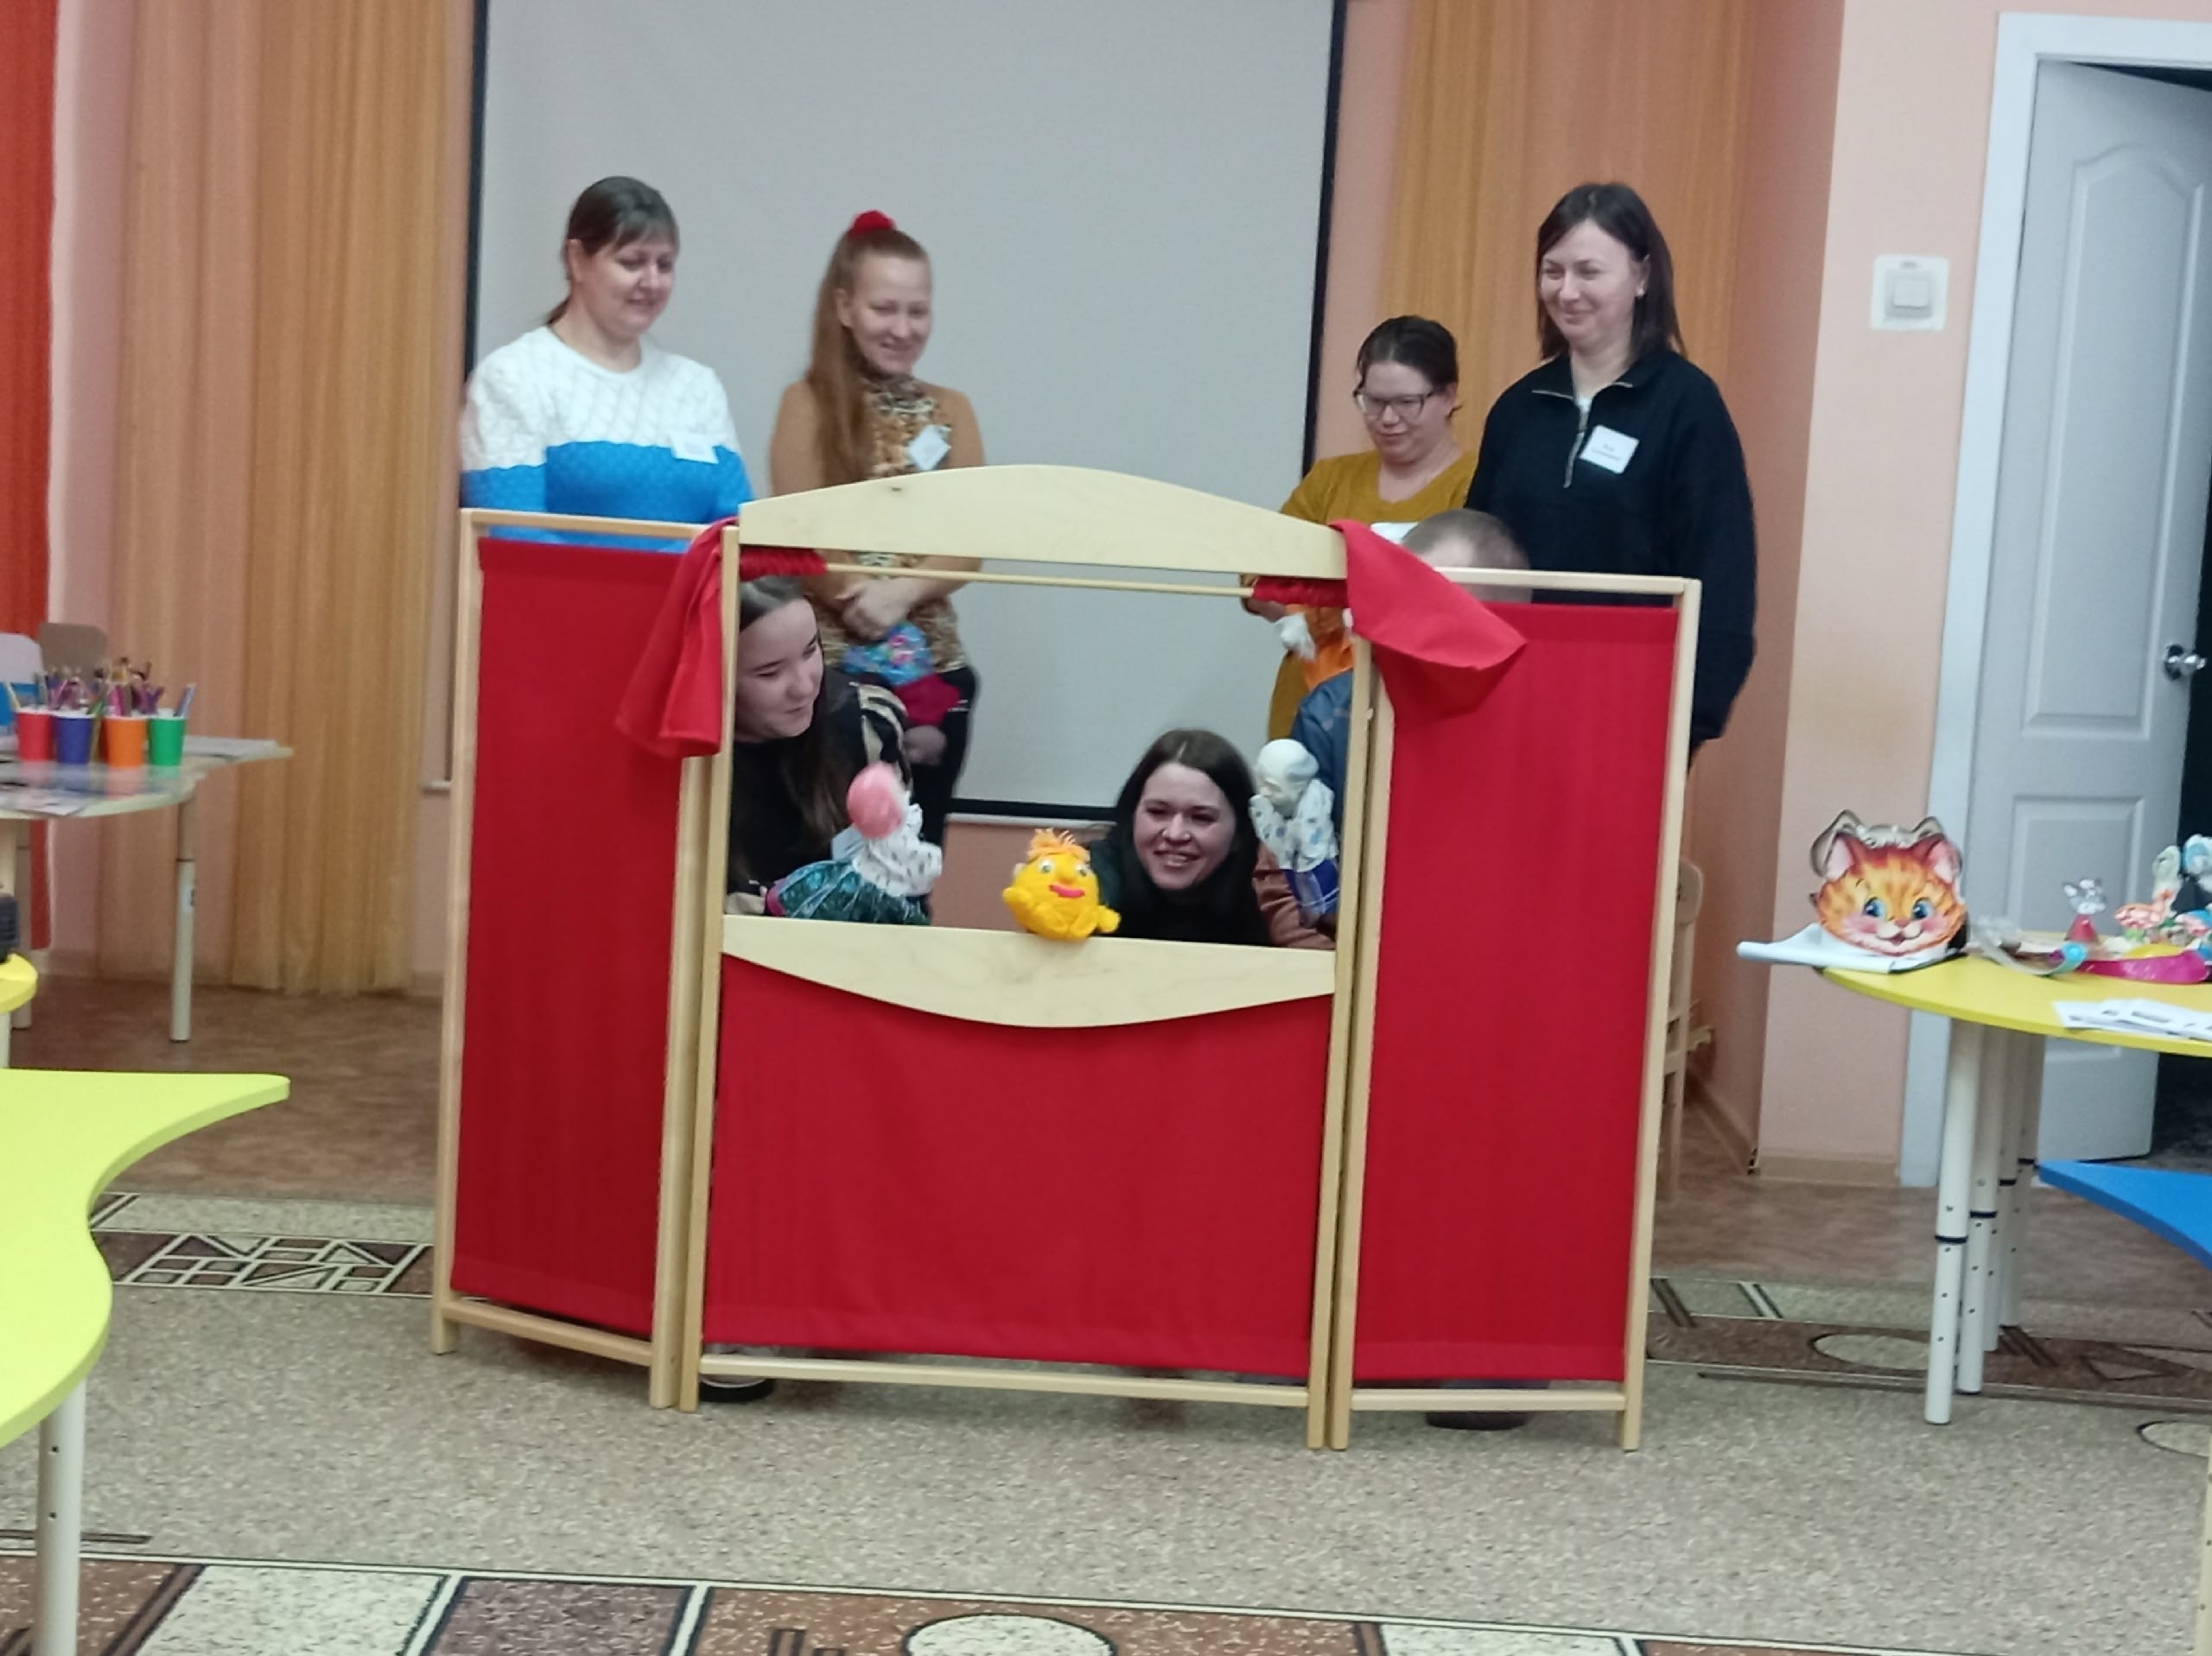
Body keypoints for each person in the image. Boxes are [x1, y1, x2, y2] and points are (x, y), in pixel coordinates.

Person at [1465, 181, 1756, 753]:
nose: (1567, 291)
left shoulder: (1687, 404)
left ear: (1642, 276)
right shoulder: (1518, 409)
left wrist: (1693, 714)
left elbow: (1722, 567)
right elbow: (1476, 556)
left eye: (1589, 272)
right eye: (1552, 271)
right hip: (1510, 699)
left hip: (1635, 706)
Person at [769, 212, 982, 847]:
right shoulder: (806, 403)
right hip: (829, 672)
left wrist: (902, 593)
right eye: (884, 308)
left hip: (935, 671)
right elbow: (797, 526)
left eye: (918, 311)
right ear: (845, 306)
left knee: (914, 857)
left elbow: (974, 537)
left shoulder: (951, 409)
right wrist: (855, 595)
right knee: (828, 854)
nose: (902, 328)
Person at [461, 177, 752, 538]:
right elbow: (514, 536)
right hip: (559, 580)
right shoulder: (513, 377)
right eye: (632, 262)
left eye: (665, 265)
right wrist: (664, 568)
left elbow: (736, 534)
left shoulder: (698, 387)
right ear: (576, 261)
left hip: (693, 580)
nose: (652, 282)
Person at [1255, 316, 1478, 739]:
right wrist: (1298, 616)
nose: (1387, 418)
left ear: (1448, 396)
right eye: (1373, 401)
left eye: (1407, 402)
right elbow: (1258, 572)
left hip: (1415, 708)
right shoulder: (1330, 479)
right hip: (1310, 703)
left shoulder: (1475, 485)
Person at [1289, 510, 1531, 834]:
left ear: (1506, 621)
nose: (1417, 628)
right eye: (1406, 600)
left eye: (1441, 609)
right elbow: (1308, 853)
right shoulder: (1334, 712)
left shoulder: (1553, 720)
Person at [725, 576, 907, 898]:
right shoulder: (682, 766)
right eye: (770, 673)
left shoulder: (867, 725)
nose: (804, 686)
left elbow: (901, 875)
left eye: (811, 651)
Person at [1087, 731, 1330, 949]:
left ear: (1240, 831)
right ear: (1132, 816)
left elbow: (1324, 965)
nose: (1175, 834)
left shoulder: (1267, 882)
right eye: (1157, 812)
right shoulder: (1088, 874)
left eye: (1201, 818)